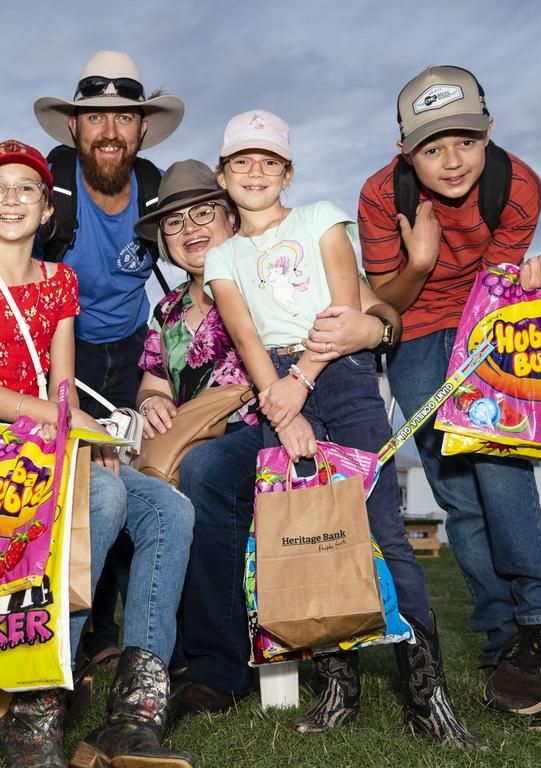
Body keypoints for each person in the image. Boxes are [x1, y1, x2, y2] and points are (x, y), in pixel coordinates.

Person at [204, 109, 477, 746]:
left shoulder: (319, 217)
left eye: (268, 162)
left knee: (382, 530)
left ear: (287, 172)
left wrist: (301, 382)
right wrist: (285, 403)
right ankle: (338, 688)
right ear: (224, 173)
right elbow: (245, 339)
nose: (254, 173)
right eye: (240, 162)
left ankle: (426, 694)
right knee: (307, 534)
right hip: (276, 384)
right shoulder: (223, 256)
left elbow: (345, 306)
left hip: (343, 371)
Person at [0, 139, 194, 768]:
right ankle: (36, 707)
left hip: (48, 430)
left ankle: (135, 715)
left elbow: (60, 383)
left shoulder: (61, 282)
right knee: (101, 494)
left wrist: (80, 436)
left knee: (168, 508)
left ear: (48, 210)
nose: (12, 200)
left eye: (28, 188)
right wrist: (73, 427)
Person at [133, 160, 402, 715]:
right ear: (163, 240)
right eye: (175, 223)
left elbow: (375, 310)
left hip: (275, 421)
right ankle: (171, 657)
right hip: (202, 436)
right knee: (155, 486)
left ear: (231, 217)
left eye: (203, 212)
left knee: (208, 474)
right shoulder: (167, 311)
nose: (190, 229)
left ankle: (218, 665)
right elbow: (152, 379)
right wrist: (153, 399)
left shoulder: (278, 270)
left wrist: (376, 328)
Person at [358, 65, 541, 718]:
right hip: (416, 327)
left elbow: (501, 289)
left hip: (487, 320)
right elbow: (381, 305)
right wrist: (419, 261)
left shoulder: (518, 186)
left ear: (489, 133)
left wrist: (536, 280)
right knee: (456, 491)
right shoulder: (379, 196)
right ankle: (505, 641)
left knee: (498, 457)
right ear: (405, 151)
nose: (452, 161)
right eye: (432, 147)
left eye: (466, 141)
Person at [33, 48, 186, 675]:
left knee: (129, 483)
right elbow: (15, 266)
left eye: (124, 117)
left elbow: (202, 260)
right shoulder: (50, 185)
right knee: (77, 491)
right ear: (74, 127)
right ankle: (84, 634)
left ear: (142, 129)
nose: (109, 130)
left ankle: (126, 634)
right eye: (95, 117)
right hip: (59, 348)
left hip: (128, 351)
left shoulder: (156, 189)